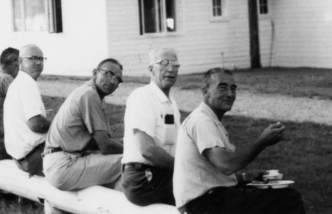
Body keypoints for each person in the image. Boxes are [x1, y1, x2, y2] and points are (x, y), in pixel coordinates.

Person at [174, 68, 305, 214]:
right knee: (289, 198)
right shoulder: (202, 121)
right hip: (206, 204)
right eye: (222, 87)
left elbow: (212, 171)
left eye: (233, 88)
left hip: (208, 200)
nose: (230, 94)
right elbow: (227, 164)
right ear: (205, 91)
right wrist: (262, 142)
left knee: (269, 194)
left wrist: (244, 177)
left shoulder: (207, 119)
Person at [43, 58, 124, 191]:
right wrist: (134, 150)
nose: (112, 81)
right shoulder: (89, 94)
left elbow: (102, 142)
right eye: (108, 74)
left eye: (117, 79)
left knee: (115, 160)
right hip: (64, 165)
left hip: (59, 161)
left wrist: (127, 142)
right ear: (94, 73)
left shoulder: (91, 93)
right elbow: (105, 146)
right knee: (129, 162)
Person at [122, 47, 182, 206]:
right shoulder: (143, 96)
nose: (170, 68)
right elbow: (147, 149)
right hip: (142, 177)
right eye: (164, 63)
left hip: (160, 173)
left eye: (175, 64)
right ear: (151, 69)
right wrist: (185, 168)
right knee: (205, 187)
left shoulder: (171, 103)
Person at [4, 44, 50, 176]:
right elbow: (35, 123)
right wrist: (58, 125)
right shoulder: (27, 83)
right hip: (33, 158)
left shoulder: (19, 82)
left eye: (41, 59)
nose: (38, 62)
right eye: (32, 58)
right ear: (20, 62)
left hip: (21, 158)